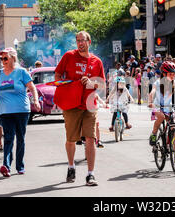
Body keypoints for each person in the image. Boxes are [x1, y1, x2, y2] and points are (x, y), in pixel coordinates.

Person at [54, 31, 105, 186]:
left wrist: (91, 83)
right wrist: (63, 90)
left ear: (89, 42)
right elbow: (57, 75)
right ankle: (71, 166)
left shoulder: (97, 62)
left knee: (90, 138)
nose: (80, 43)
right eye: (78, 41)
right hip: (72, 104)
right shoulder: (69, 56)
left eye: (83, 40)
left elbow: (102, 84)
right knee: (71, 139)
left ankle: (90, 174)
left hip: (90, 104)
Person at [0, 47, 41, 178]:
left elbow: (32, 88)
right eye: (1, 58)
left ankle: (20, 166)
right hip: (5, 112)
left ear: (13, 58)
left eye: (5, 58)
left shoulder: (22, 72)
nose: (3, 61)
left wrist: (36, 101)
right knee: (8, 138)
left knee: (20, 138)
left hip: (21, 110)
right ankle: (6, 166)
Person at [148, 61, 175, 146]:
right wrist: (150, 102)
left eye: (174, 74)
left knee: (173, 125)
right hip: (157, 106)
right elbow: (152, 92)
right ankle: (154, 133)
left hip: (168, 107)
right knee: (161, 117)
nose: (173, 76)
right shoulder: (157, 83)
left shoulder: (174, 83)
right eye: (170, 74)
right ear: (164, 74)